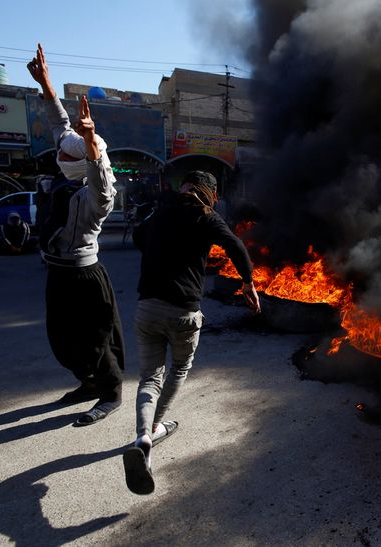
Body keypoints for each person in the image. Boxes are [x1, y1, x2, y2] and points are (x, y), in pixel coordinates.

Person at [123, 170, 260, 495]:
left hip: (148, 308)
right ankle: (156, 426)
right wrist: (247, 282)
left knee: (149, 378)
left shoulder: (162, 213)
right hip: (183, 311)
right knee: (179, 369)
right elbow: (236, 246)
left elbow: (140, 237)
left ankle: (144, 437)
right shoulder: (206, 217)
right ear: (210, 193)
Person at [27, 43, 125, 426]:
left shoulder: (94, 195)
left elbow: (101, 181)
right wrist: (47, 83)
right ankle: (87, 382)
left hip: (85, 276)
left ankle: (111, 392)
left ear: (84, 162)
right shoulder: (65, 181)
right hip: (58, 272)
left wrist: (90, 145)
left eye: (71, 155)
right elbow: (59, 126)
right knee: (62, 342)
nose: (61, 156)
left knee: (97, 340)